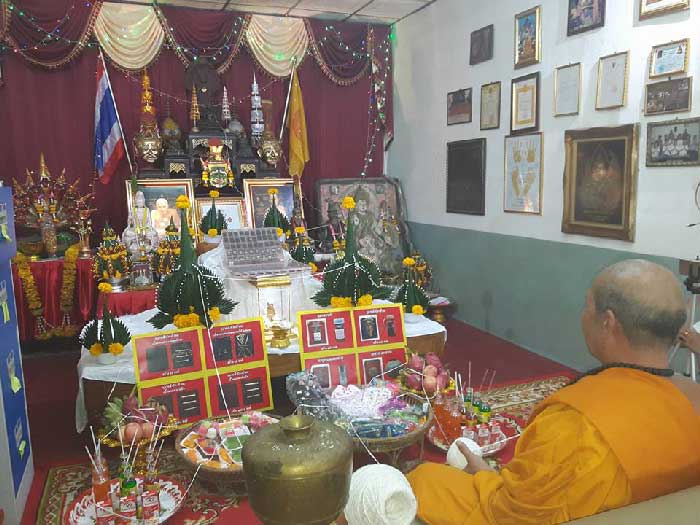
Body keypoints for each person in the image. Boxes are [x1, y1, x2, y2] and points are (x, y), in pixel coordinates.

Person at [407, 259, 700, 525]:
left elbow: (513, 514)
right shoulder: (694, 397)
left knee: (424, 480)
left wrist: (486, 478)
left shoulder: (576, 423)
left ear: (607, 322)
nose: (583, 315)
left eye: (587, 306)